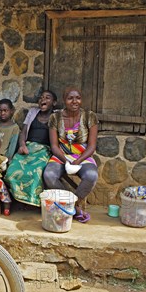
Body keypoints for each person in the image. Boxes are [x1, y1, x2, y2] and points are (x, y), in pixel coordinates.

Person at [43, 88, 98, 223]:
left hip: (82, 156)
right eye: (70, 98)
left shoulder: (90, 117)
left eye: (78, 98)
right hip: (61, 156)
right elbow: (54, 146)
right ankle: (75, 208)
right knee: (49, 175)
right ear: (64, 100)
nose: (75, 101)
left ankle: (71, 205)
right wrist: (65, 160)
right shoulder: (55, 118)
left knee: (91, 176)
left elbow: (92, 146)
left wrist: (78, 161)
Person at [5, 90, 57, 206]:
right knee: (12, 170)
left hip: (44, 150)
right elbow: (23, 132)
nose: (43, 100)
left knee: (36, 172)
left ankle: (33, 201)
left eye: (47, 98)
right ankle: (18, 199)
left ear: (54, 103)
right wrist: (22, 145)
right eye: (41, 97)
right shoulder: (33, 112)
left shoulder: (56, 116)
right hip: (28, 147)